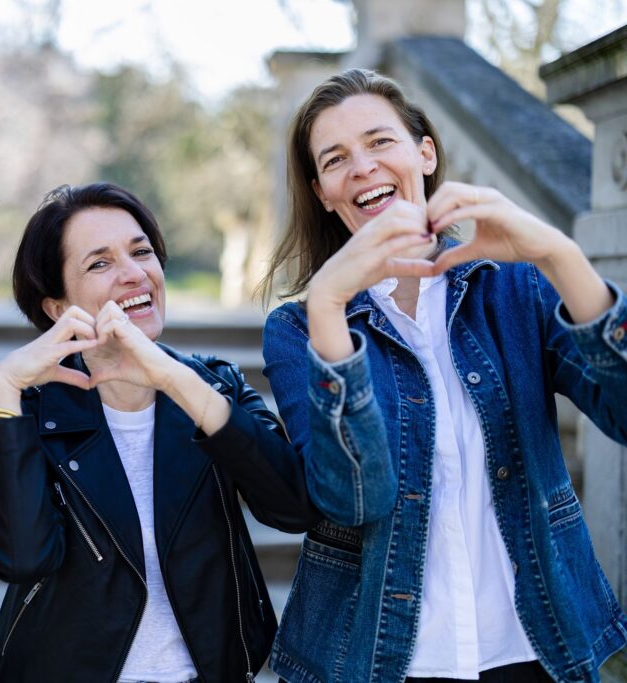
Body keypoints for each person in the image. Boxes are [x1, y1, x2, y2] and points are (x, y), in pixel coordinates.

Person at [260, 68, 627, 683]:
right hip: (377, 658)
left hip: (535, 645)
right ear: (323, 190)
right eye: (335, 158)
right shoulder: (299, 328)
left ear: (423, 153)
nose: (362, 167)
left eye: (381, 142)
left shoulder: (512, 287)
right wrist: (328, 307)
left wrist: (561, 257)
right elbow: (353, 499)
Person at [0, 182, 319, 682]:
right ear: (57, 307)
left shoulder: (212, 387)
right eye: (100, 263)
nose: (134, 273)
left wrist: (172, 379)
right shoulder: (33, 411)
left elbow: (292, 507)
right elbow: (24, 558)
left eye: (142, 252)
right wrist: (3, 385)